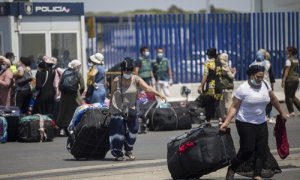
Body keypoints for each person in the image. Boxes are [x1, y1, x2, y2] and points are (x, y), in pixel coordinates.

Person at [220, 64, 288, 180]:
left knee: (261, 148)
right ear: (252, 75)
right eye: (258, 77)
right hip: (244, 122)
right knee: (248, 149)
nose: (260, 79)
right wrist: (226, 122)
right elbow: (234, 107)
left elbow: (274, 99)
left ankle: (257, 174)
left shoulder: (266, 85)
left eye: (262, 76)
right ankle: (232, 168)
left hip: (261, 122)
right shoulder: (243, 88)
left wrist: (282, 112)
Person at [109, 57, 166, 161]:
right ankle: (117, 153)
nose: (127, 72)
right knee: (119, 131)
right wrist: (109, 110)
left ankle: (128, 149)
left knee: (134, 129)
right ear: (122, 70)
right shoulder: (116, 80)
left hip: (131, 109)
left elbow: (148, 88)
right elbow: (112, 94)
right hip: (117, 109)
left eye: (129, 70)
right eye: (125, 70)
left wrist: (159, 94)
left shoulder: (136, 79)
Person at [56, 59, 85, 136]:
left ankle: (62, 129)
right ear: (77, 66)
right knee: (73, 112)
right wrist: (79, 93)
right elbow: (83, 86)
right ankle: (71, 129)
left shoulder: (65, 72)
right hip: (74, 95)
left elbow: (59, 85)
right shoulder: (78, 74)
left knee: (63, 111)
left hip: (64, 95)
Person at [250, 49, 276, 123]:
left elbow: (249, 76)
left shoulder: (252, 64)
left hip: (255, 84)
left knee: (258, 100)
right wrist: (272, 85)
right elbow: (271, 76)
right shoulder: (267, 63)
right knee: (269, 101)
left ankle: (261, 115)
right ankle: (270, 116)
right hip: (266, 84)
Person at [197, 48, 223, 122]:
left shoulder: (208, 62)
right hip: (219, 86)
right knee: (217, 104)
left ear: (209, 55)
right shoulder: (219, 62)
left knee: (208, 103)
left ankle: (207, 120)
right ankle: (220, 120)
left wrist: (201, 86)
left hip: (211, 86)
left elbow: (205, 75)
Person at [281, 46, 300, 117]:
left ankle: (291, 112)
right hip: (296, 79)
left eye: (287, 50)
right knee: (293, 96)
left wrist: (283, 80)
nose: (286, 51)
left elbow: (287, 71)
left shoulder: (288, 60)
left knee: (288, 96)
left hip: (290, 80)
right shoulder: (296, 60)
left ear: (290, 52)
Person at [219, 53, 236, 118]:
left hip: (221, 86)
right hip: (227, 86)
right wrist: (234, 73)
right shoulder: (225, 65)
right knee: (229, 102)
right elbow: (231, 77)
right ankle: (230, 117)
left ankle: (222, 117)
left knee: (221, 103)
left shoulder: (218, 64)